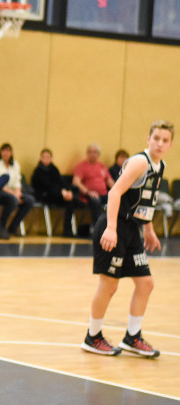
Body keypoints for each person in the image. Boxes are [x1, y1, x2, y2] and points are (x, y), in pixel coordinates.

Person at [81, 120, 173, 358]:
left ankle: (132, 337)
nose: (160, 144)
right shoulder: (140, 162)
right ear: (148, 139)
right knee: (110, 284)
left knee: (146, 283)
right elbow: (114, 192)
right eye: (157, 139)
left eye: (165, 140)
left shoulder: (159, 165)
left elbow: (146, 200)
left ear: (171, 144)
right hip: (114, 225)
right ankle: (93, 337)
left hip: (132, 229)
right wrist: (110, 228)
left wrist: (149, 229)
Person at [31, 148, 82, 237]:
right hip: (44, 196)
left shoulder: (54, 169)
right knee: (65, 197)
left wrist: (67, 191)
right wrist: (62, 192)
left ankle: (67, 230)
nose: (46, 159)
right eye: (44, 157)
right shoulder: (37, 171)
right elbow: (47, 185)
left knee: (71, 201)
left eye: (48, 157)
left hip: (57, 195)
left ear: (51, 158)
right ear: (40, 158)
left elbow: (61, 182)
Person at [0, 143, 35, 236]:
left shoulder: (15, 164)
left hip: (13, 192)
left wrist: (18, 193)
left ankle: (13, 226)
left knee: (29, 200)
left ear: (11, 153)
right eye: (4, 150)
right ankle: (1, 226)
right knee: (12, 200)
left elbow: (17, 181)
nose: (6, 153)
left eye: (8, 151)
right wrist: (14, 195)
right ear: (0, 152)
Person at [73, 143, 115, 225]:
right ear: (87, 153)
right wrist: (88, 192)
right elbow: (76, 182)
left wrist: (117, 192)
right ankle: (97, 228)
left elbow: (110, 181)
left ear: (98, 154)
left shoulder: (102, 166)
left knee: (116, 200)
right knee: (96, 201)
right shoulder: (82, 166)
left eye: (94, 152)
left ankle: (113, 226)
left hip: (103, 194)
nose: (92, 154)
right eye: (90, 152)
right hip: (89, 195)